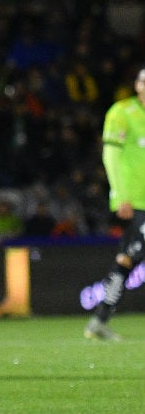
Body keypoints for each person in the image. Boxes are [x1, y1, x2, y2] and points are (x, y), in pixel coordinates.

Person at [84, 66, 145, 341]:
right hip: (135, 200)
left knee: (127, 259)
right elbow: (110, 156)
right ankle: (100, 318)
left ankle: (100, 319)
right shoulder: (122, 112)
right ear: (137, 85)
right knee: (129, 258)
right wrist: (120, 196)